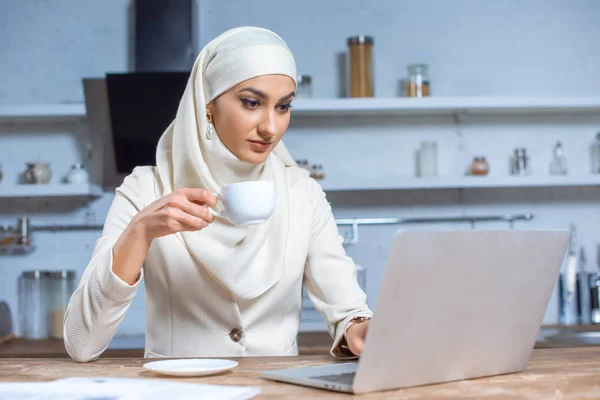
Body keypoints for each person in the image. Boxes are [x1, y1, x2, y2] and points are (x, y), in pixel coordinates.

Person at [64, 26, 372, 363]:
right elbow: (82, 342)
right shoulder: (146, 189)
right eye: (251, 103)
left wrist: (361, 330)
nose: (270, 127)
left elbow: (349, 312)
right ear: (207, 103)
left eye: (283, 107)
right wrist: (140, 232)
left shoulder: (303, 194)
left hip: (274, 392)